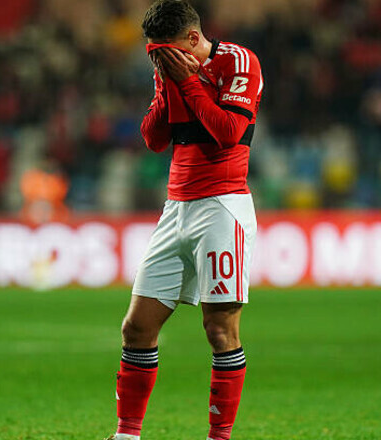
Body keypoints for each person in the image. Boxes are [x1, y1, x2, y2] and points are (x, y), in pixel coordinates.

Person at [106, 1, 263, 440]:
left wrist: (189, 82)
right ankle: (126, 435)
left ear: (193, 39)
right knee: (136, 327)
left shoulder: (239, 62)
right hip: (175, 208)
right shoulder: (170, 71)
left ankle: (219, 437)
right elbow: (154, 139)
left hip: (221, 207)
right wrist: (169, 84)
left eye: (166, 51)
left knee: (220, 330)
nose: (159, 60)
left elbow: (228, 132)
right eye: (153, 54)